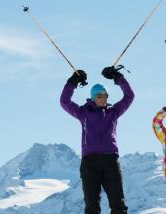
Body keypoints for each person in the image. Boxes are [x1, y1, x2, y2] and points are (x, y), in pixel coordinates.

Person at [60, 66, 134, 214]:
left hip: (110, 161)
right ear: (93, 97)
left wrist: (118, 77)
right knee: (92, 206)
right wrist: (73, 82)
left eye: (105, 95)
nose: (103, 98)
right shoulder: (83, 112)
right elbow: (64, 101)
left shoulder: (114, 112)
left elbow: (129, 96)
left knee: (118, 205)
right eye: (99, 95)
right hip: (90, 162)